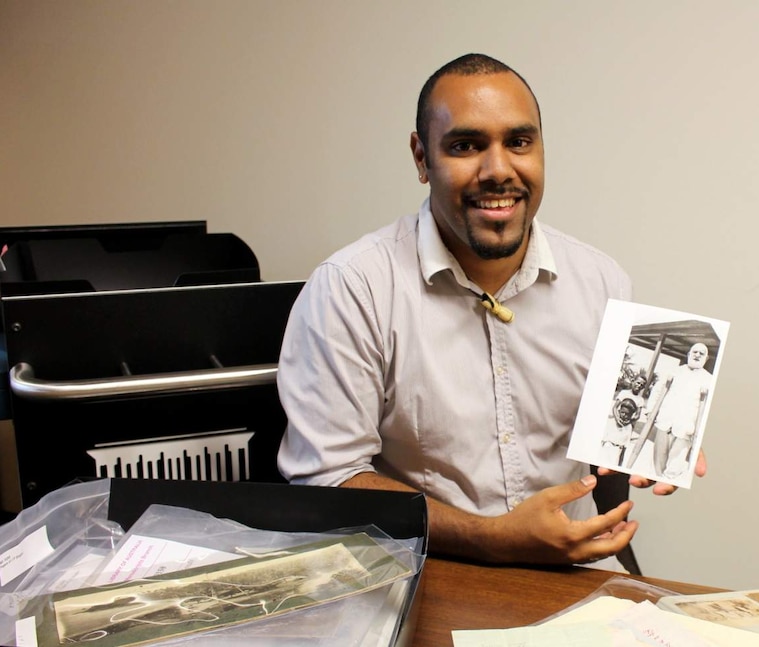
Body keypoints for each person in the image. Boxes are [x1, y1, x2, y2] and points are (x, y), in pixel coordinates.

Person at [276, 53, 705, 568]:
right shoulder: (352, 288)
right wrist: (490, 537)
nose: (498, 170)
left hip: (580, 576)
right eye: (466, 146)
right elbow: (330, 478)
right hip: (423, 575)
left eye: (519, 142)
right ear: (420, 157)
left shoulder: (603, 281)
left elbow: (620, 439)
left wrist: (657, 445)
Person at [651, 342, 712, 478]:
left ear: (706, 359)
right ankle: (657, 477)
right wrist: (650, 411)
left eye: (702, 353)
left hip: (686, 428)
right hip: (665, 421)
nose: (697, 355)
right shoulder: (675, 371)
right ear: (689, 354)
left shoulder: (709, 380)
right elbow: (657, 390)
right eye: (695, 352)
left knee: (675, 464)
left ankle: (668, 480)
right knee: (658, 459)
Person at [600, 398, 640, 467]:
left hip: (616, 453)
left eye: (627, 414)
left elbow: (624, 447)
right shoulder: (611, 422)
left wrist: (620, 464)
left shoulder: (629, 427)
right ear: (619, 411)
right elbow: (602, 440)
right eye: (622, 412)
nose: (624, 415)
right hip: (606, 449)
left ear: (631, 416)